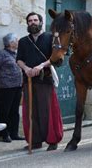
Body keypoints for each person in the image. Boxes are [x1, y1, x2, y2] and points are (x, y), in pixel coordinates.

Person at [16, 12, 63, 150]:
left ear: (41, 22)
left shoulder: (50, 38)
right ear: (27, 23)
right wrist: (26, 68)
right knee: (31, 112)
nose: (33, 22)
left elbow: (56, 57)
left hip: (45, 79)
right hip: (29, 79)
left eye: (35, 20)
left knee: (47, 111)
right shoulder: (23, 41)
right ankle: (34, 140)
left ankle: (52, 140)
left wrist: (41, 65)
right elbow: (19, 59)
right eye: (30, 21)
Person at [0, 33, 23, 143]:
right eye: (16, 40)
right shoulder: (1, 54)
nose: (18, 42)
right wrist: (2, 81)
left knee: (15, 111)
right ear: (11, 43)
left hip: (17, 87)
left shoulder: (16, 54)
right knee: (5, 112)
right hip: (5, 88)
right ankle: (5, 134)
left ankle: (14, 133)